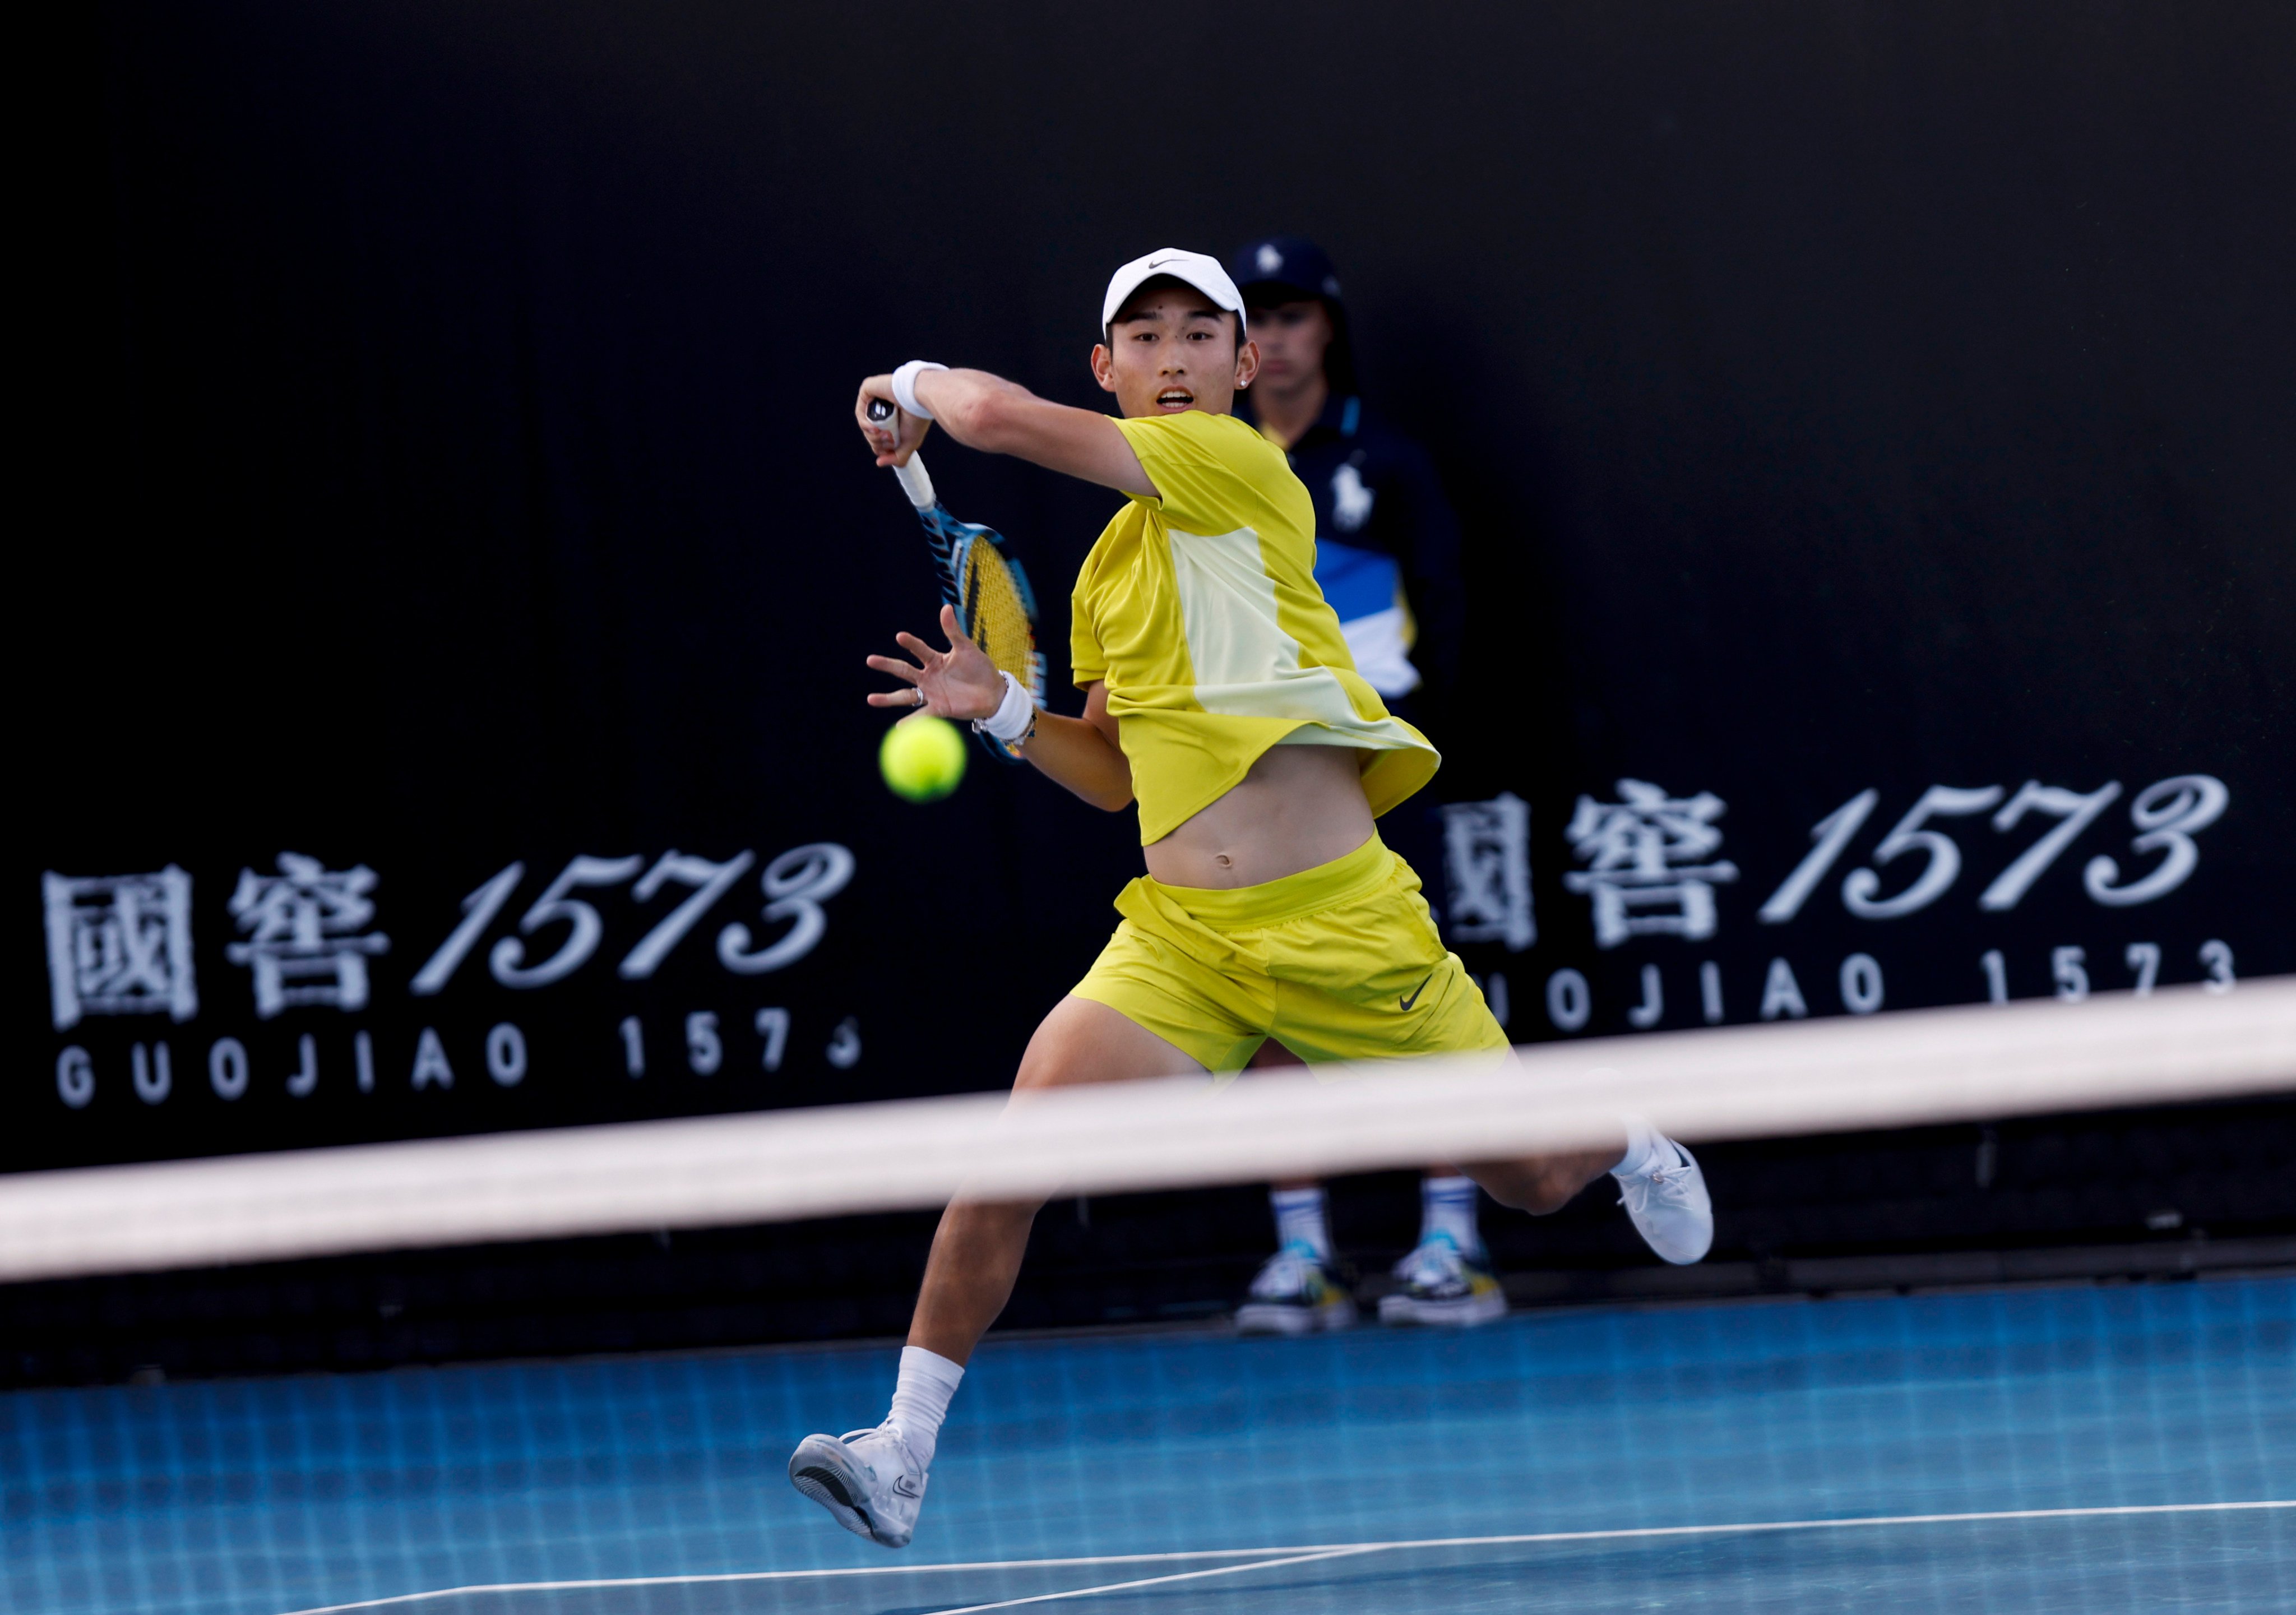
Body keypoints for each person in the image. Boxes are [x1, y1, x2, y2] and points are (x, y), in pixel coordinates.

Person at [789, 248, 1712, 1552]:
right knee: (1003, 1165)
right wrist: (1002, 710)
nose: (1171, 357)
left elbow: (988, 417)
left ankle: (1619, 1134)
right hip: (1182, 942)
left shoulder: (1237, 471)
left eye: (1197, 335)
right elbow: (1111, 777)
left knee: (1530, 1179)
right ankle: (899, 1449)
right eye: (1141, 337)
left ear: (1243, 364)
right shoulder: (1110, 572)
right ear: (1105, 368)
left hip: (1343, 923)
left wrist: (908, 384)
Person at [1225, 235, 1505, 1336]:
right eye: (1251, 321)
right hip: (1245, 781)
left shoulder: (1381, 461)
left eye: (1290, 317)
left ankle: (1452, 1245)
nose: (1272, 340)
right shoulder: (1201, 470)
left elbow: (1441, 614)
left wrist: (1393, 743)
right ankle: (1305, 1255)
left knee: (1413, 995)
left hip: (1370, 776)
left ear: (1326, 328)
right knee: (1267, 1006)